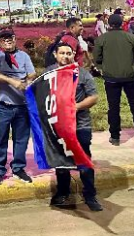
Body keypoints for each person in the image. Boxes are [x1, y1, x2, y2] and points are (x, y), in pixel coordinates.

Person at [48, 42, 102, 212]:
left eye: (69, 53)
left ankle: (90, 195)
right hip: (58, 127)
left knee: (84, 161)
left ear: (73, 55)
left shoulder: (83, 74)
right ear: (55, 55)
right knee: (62, 162)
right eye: (62, 53)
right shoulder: (48, 74)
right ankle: (63, 193)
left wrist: (75, 107)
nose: (65, 56)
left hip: (80, 126)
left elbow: (93, 97)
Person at [0, 29, 36, 185]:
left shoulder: (23, 56)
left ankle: (18, 168)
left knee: (21, 139)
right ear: (0, 41)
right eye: (4, 38)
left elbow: (32, 73)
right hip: (3, 105)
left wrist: (27, 81)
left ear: (15, 39)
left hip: (22, 105)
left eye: (10, 37)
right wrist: (12, 81)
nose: (7, 40)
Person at [95, 13, 134, 148]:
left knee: (113, 108)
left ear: (109, 24)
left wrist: (105, 68)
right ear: (121, 23)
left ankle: (115, 137)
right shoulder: (131, 37)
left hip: (111, 79)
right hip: (131, 78)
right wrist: (131, 64)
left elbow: (97, 59)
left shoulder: (102, 39)